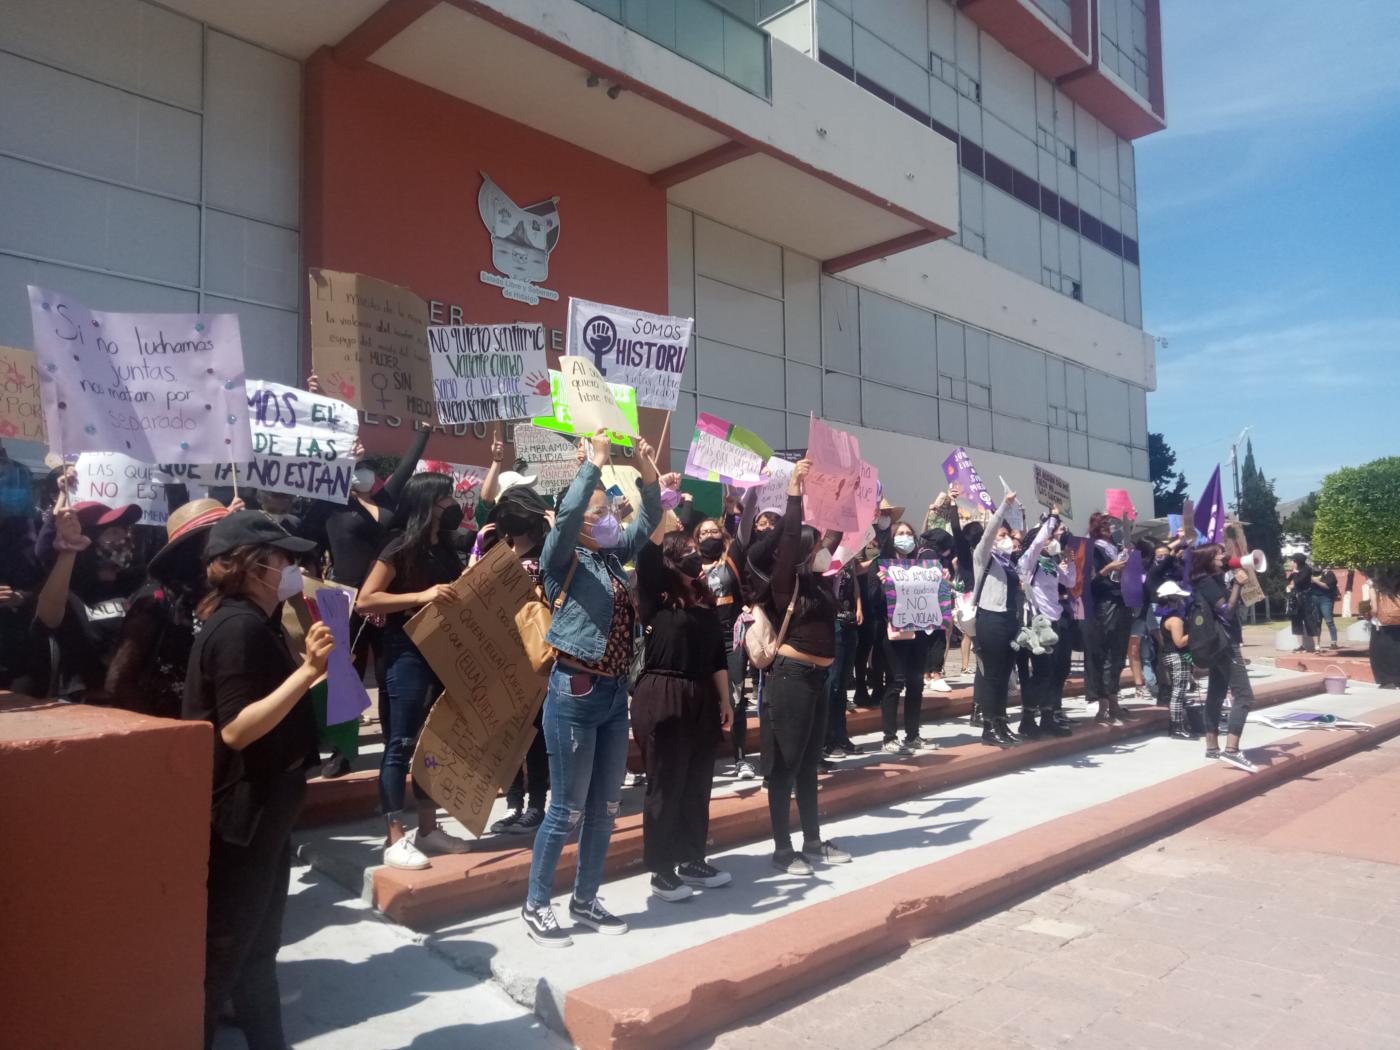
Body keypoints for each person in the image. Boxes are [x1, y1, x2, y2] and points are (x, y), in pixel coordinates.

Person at [182, 511, 333, 1050]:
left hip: (267, 810)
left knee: (255, 950)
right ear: (251, 566)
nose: (291, 567)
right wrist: (307, 672)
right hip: (243, 814)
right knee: (227, 954)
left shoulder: (252, 621)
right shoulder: (238, 627)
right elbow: (237, 730)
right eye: (281, 558)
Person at [521, 431, 660, 948]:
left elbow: (645, 523)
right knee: (567, 808)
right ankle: (537, 903)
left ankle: (584, 899)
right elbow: (576, 503)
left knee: (604, 808)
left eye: (609, 512)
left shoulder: (608, 558)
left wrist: (646, 473)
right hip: (573, 692)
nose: (608, 518)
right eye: (598, 512)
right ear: (576, 523)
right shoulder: (562, 558)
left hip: (611, 696)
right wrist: (593, 467)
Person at [356, 473, 473, 869]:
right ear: (429, 502)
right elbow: (366, 599)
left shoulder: (444, 548)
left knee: (434, 743)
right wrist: (421, 596)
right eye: (446, 498)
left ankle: (428, 828)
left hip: (442, 649)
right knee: (401, 744)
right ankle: (394, 837)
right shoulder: (400, 545)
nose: (452, 504)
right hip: (405, 650)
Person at [632, 530, 735, 901]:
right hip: (663, 693)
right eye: (687, 551)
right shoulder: (657, 594)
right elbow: (647, 552)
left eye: (697, 551)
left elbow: (717, 658)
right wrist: (662, 500)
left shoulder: (705, 599)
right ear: (673, 558)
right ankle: (661, 869)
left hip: (702, 696)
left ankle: (692, 858)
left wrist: (726, 701)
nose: (696, 555)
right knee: (666, 783)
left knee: (697, 784)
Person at [760, 459, 852, 875]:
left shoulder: (822, 582)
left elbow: (840, 531)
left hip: (819, 678)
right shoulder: (784, 581)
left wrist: (846, 495)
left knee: (810, 762)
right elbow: (795, 531)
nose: (823, 549)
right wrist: (795, 491)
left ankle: (812, 840)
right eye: (815, 546)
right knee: (786, 764)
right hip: (791, 678)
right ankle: (783, 849)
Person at [107, 498, 231, 718]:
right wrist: (163, 733)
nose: (231, 547)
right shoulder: (155, 599)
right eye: (218, 538)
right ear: (191, 548)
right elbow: (119, 681)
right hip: (165, 733)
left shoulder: (225, 595)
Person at [483, 484, 555, 836]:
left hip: (535, 655)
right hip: (499, 654)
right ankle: (514, 803)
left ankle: (538, 804)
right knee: (507, 733)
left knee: (535, 734)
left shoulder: (547, 554)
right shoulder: (495, 552)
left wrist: (555, 532)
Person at [33, 498, 145, 702]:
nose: (124, 538)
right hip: (83, 706)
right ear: (89, 539)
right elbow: (48, 617)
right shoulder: (66, 589)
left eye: (124, 530)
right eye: (112, 532)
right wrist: (70, 550)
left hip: (131, 703)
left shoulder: (137, 585)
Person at [1189, 544, 1258, 772]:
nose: (1223, 555)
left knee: (1216, 694)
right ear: (1208, 559)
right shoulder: (1207, 582)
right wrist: (1238, 584)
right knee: (1244, 696)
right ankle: (1232, 750)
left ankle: (1212, 746)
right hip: (1225, 643)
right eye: (1218, 553)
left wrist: (1234, 583)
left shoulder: (1211, 580)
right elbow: (1227, 610)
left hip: (1218, 643)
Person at [694, 515, 751, 775]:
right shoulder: (690, 566)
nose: (709, 536)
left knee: (735, 697)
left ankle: (740, 757)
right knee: (703, 698)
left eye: (714, 531)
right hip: (700, 639)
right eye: (703, 533)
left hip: (730, 639)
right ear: (696, 540)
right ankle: (703, 755)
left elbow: (744, 530)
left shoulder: (731, 561)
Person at [878, 520, 938, 754]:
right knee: (896, 682)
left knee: (916, 684)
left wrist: (939, 578)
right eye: (900, 533)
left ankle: (913, 735)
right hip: (895, 634)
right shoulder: (883, 567)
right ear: (892, 539)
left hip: (919, 633)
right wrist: (884, 587)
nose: (905, 537)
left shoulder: (923, 567)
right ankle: (889, 737)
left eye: (908, 533)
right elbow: (876, 601)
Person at [1016, 510, 1073, 739]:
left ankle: (1048, 717)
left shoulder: (1050, 563)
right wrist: (1052, 519)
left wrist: (1069, 562)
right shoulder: (1028, 561)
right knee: (1041, 673)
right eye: (1048, 538)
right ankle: (1028, 719)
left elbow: (1069, 581)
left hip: (1056, 620)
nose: (1051, 541)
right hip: (1039, 623)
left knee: (1057, 672)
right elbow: (1039, 540)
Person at [970, 492, 1020, 746]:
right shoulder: (983, 557)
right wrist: (1004, 506)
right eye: (1003, 536)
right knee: (992, 675)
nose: (1007, 540)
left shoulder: (1011, 564)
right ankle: (988, 727)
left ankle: (1001, 721)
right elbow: (989, 533)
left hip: (1010, 620)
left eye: (1008, 536)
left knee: (1004, 675)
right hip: (990, 619)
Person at [1085, 512, 1133, 725]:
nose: (1109, 528)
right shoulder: (1091, 548)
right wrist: (1108, 569)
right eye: (1104, 525)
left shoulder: (1119, 548)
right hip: (1104, 603)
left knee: (1119, 653)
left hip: (1122, 601)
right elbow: (1088, 582)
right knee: (1104, 653)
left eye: (1111, 524)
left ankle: (1113, 698)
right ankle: (1103, 703)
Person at [824, 550, 862, 759]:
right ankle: (828, 740)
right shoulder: (828, 558)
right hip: (834, 623)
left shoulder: (849, 557)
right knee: (833, 683)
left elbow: (854, 580)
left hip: (849, 622)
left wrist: (859, 606)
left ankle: (841, 736)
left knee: (843, 684)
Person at [1155, 581, 1193, 738]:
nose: (1181, 601)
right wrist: (1196, 633)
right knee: (1179, 691)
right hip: (1177, 656)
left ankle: (1176, 724)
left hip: (1169, 656)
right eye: (1178, 598)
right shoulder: (1175, 620)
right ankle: (1177, 726)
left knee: (1177, 691)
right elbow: (1179, 641)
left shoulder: (1165, 619)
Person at [1370, 569, 1400, 688]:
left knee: (1380, 654)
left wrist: (1366, 612)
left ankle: (1387, 681)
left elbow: (1375, 610)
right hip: (1398, 622)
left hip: (1381, 625)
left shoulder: (1375, 586)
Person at [1287, 553, 1323, 652]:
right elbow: (1288, 581)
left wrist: (1294, 572)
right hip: (1296, 599)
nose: (1291, 563)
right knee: (1296, 622)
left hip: (1306, 598)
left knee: (1310, 621)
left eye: (1293, 561)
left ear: (1297, 562)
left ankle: (1316, 646)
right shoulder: (1295, 571)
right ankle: (1301, 646)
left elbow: (1298, 581)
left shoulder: (1306, 570)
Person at [1316, 565, 1340, 650]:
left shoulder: (1330, 574)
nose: (1318, 566)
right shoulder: (1319, 574)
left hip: (1326, 600)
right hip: (1316, 599)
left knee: (1329, 621)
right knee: (1317, 622)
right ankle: (1317, 644)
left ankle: (1334, 642)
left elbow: (1327, 586)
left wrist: (1315, 581)